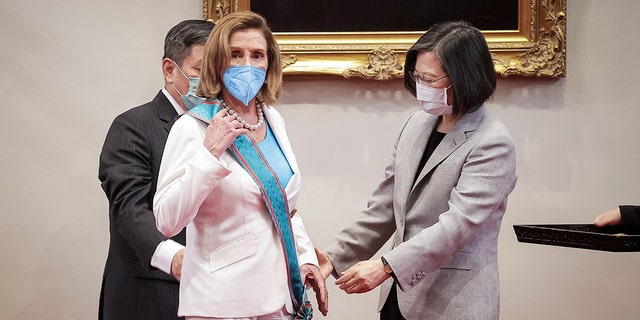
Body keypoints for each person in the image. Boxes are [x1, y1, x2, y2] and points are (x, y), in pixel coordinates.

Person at [316, 20, 517, 320]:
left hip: (454, 303)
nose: (421, 87)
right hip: (399, 300)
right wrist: (334, 257)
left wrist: (386, 266)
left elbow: (457, 226)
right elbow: (384, 208)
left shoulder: (492, 142)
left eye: (430, 79)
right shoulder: (415, 124)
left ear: (465, 78)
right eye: (417, 77)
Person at [153, 11, 328, 320]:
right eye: (235, 55)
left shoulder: (273, 120)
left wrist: (305, 257)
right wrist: (209, 154)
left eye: (257, 55)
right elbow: (167, 220)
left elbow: (283, 205)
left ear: (269, 64)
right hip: (222, 303)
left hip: (281, 299)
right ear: (217, 61)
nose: (247, 64)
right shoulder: (192, 127)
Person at [98, 19, 214, 320]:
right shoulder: (133, 125)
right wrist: (171, 256)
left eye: (218, 71)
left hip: (217, 293)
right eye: (201, 70)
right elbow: (129, 208)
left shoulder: (223, 127)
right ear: (169, 68)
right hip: (154, 293)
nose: (211, 82)